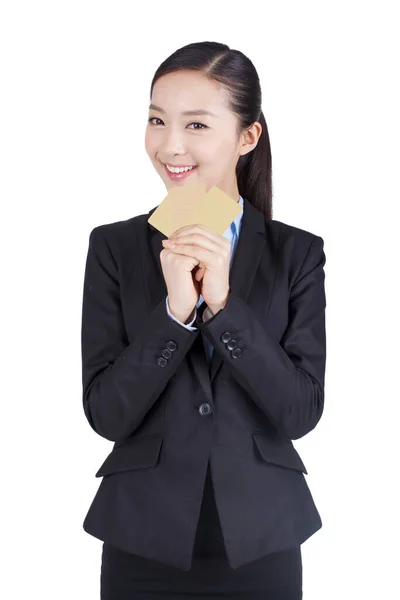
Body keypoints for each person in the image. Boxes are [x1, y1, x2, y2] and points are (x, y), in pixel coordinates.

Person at [81, 41, 327, 600]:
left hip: (262, 536)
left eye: (196, 124)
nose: (171, 145)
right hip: (142, 538)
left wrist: (223, 308)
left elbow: (299, 410)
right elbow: (106, 414)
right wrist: (173, 314)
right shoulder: (115, 247)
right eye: (157, 120)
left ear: (247, 137)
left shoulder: (297, 254)